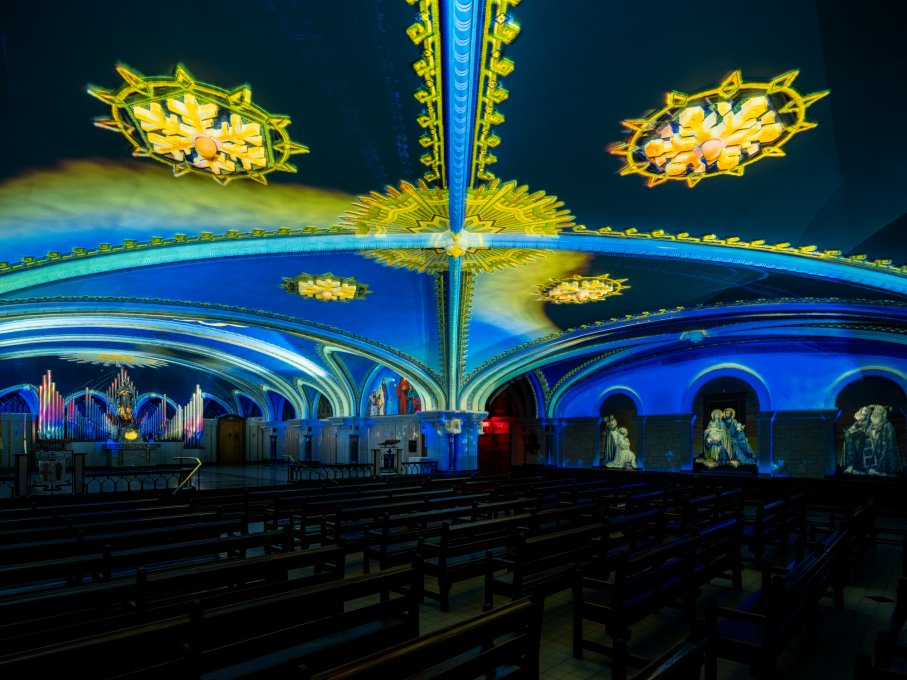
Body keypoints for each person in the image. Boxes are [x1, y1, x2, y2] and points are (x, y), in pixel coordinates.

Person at [866, 405, 905, 477]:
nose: (875, 415)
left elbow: (891, 446)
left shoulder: (888, 426)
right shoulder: (869, 426)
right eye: (874, 413)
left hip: (884, 453)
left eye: (878, 414)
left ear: (883, 415)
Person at [841, 406, 870, 475]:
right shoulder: (857, 423)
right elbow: (851, 430)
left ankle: (861, 467)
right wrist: (853, 432)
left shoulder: (870, 423)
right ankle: (851, 465)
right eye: (861, 415)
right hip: (857, 442)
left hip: (866, 442)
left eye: (864, 415)